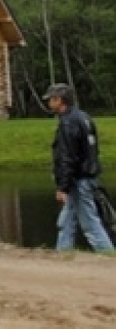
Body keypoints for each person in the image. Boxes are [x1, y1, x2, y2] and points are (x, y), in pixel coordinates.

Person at [45, 83, 113, 253]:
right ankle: (62, 253)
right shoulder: (84, 117)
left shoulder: (68, 122)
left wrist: (63, 187)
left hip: (79, 180)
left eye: (51, 99)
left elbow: (68, 157)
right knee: (66, 220)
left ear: (59, 100)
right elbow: (92, 150)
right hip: (87, 176)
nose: (48, 103)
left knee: (90, 223)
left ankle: (108, 255)